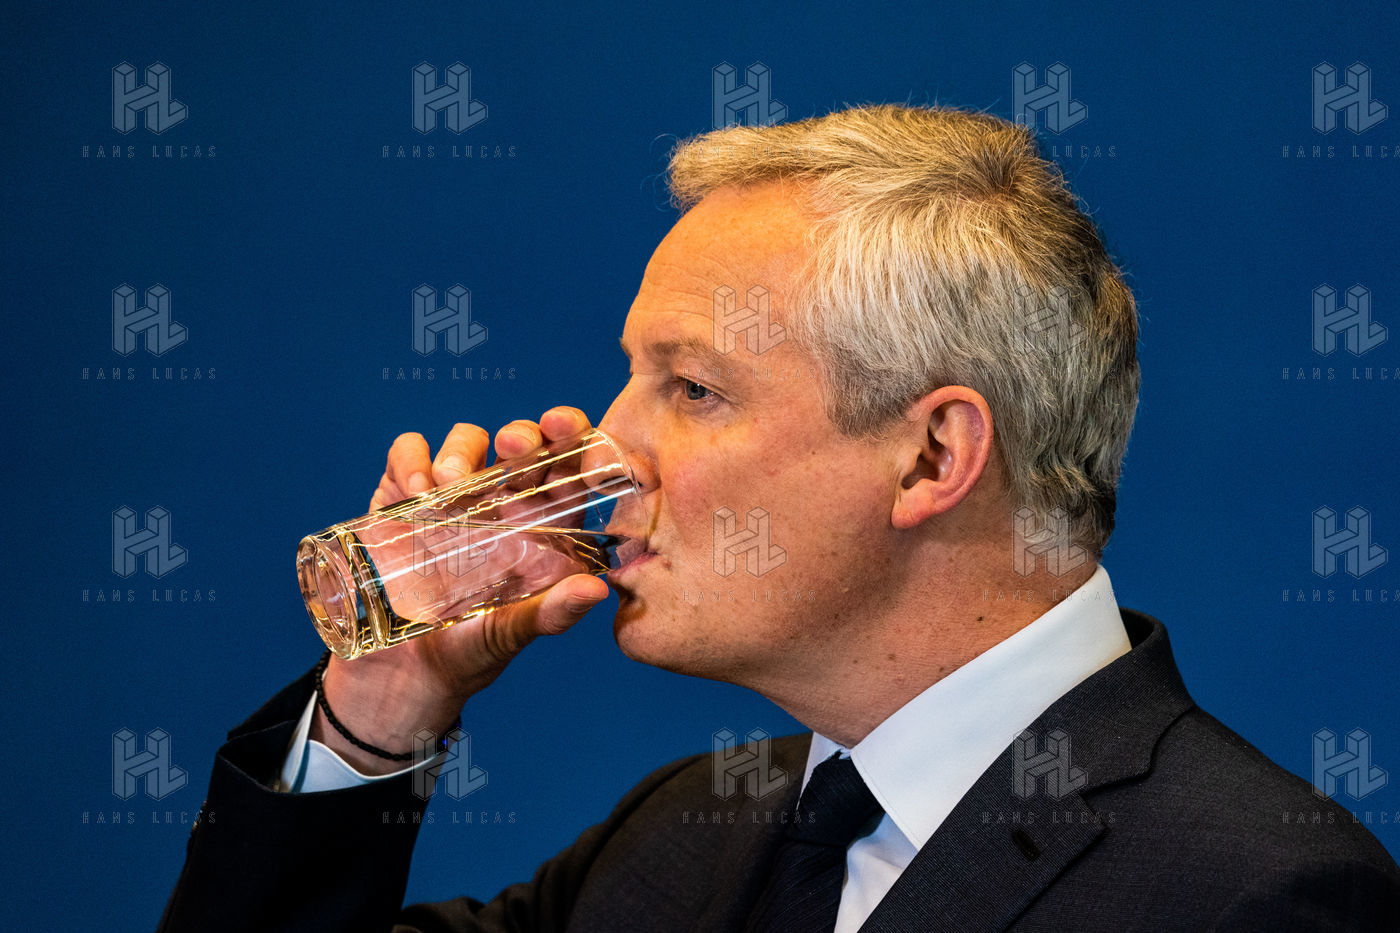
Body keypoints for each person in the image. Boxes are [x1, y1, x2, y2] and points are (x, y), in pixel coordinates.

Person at [159, 104, 1400, 932]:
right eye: (632, 378)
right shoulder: (676, 838)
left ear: (929, 457)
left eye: (692, 389)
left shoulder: (1256, 895)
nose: (603, 452)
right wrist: (381, 711)